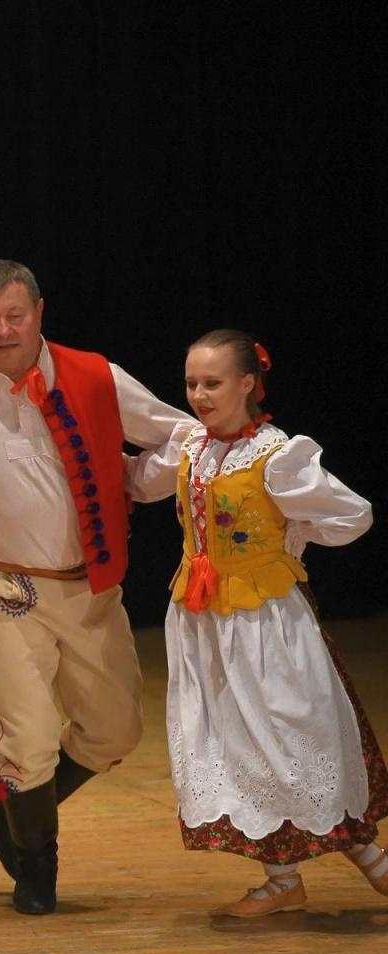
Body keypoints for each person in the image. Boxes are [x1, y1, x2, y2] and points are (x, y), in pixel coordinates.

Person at [0, 259, 190, 915]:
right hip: (4, 592)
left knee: (116, 730)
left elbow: (180, 435)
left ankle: (4, 820)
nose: (3, 331)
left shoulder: (94, 375)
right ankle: (37, 870)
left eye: (14, 316)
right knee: (29, 739)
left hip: (89, 590)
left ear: (39, 313)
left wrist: (133, 481)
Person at [125, 330, 384, 916]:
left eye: (212, 383)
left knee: (292, 736)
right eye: (192, 383)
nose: (198, 395)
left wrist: (289, 540)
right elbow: (138, 483)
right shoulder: (192, 445)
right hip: (203, 622)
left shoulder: (277, 455)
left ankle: (373, 861)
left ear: (248, 383)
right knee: (234, 742)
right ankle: (282, 878)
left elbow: (352, 515)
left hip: (267, 623)